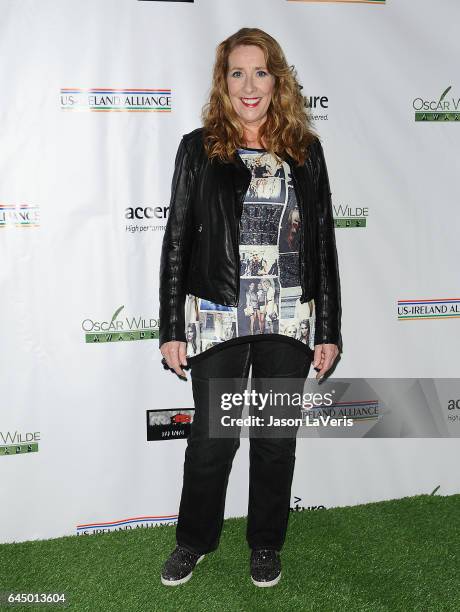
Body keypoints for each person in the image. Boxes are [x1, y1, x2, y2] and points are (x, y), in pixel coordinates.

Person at [158, 27, 342, 588]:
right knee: (213, 442)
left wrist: (328, 327)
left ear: (277, 79)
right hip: (217, 314)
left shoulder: (305, 152)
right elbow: (176, 242)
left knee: (274, 442)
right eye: (237, 73)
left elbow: (323, 244)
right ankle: (193, 541)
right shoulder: (198, 148)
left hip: (288, 319)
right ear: (224, 82)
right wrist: (171, 327)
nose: (249, 85)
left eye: (260, 72)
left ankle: (266, 543)